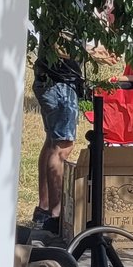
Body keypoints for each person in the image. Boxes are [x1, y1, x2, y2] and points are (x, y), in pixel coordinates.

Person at [33, 37, 86, 234]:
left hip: (50, 81)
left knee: (52, 144)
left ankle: (44, 209)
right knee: (62, 148)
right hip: (60, 84)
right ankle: (56, 216)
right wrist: (91, 52)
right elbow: (60, 46)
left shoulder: (59, 8)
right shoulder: (70, 8)